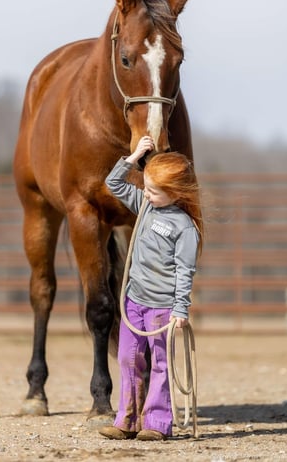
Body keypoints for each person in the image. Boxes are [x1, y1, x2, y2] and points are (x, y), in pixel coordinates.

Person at [99, 135, 203, 441]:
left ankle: (157, 422)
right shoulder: (144, 206)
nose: (146, 193)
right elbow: (114, 184)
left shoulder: (184, 227)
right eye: (146, 186)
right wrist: (133, 157)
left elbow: (185, 270)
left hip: (161, 308)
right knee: (128, 358)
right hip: (133, 301)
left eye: (154, 190)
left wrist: (180, 308)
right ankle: (127, 418)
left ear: (174, 193)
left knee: (161, 362)